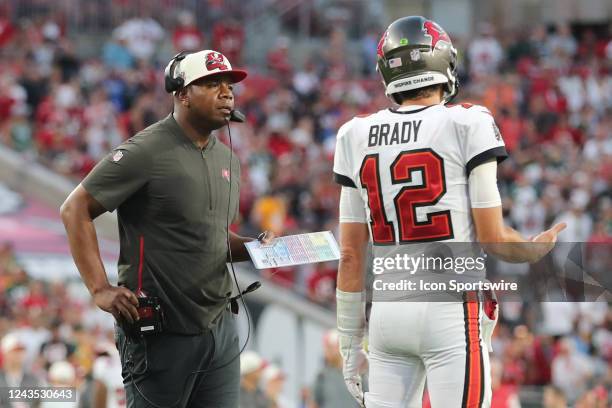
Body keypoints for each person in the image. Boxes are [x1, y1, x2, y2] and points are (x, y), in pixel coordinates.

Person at [332, 16, 567, 407]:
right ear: (442, 62)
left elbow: (351, 256)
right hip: (449, 308)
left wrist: (348, 342)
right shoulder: (467, 121)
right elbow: (494, 238)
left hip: (389, 315)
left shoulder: (354, 134)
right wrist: (533, 248)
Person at [61, 49, 272, 407]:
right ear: (181, 93)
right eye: (211, 83)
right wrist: (99, 288)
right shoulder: (147, 150)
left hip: (219, 329)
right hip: (161, 332)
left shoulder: (227, 158)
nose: (227, 93)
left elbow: (211, 236)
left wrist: (255, 247)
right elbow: (74, 208)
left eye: (229, 85)